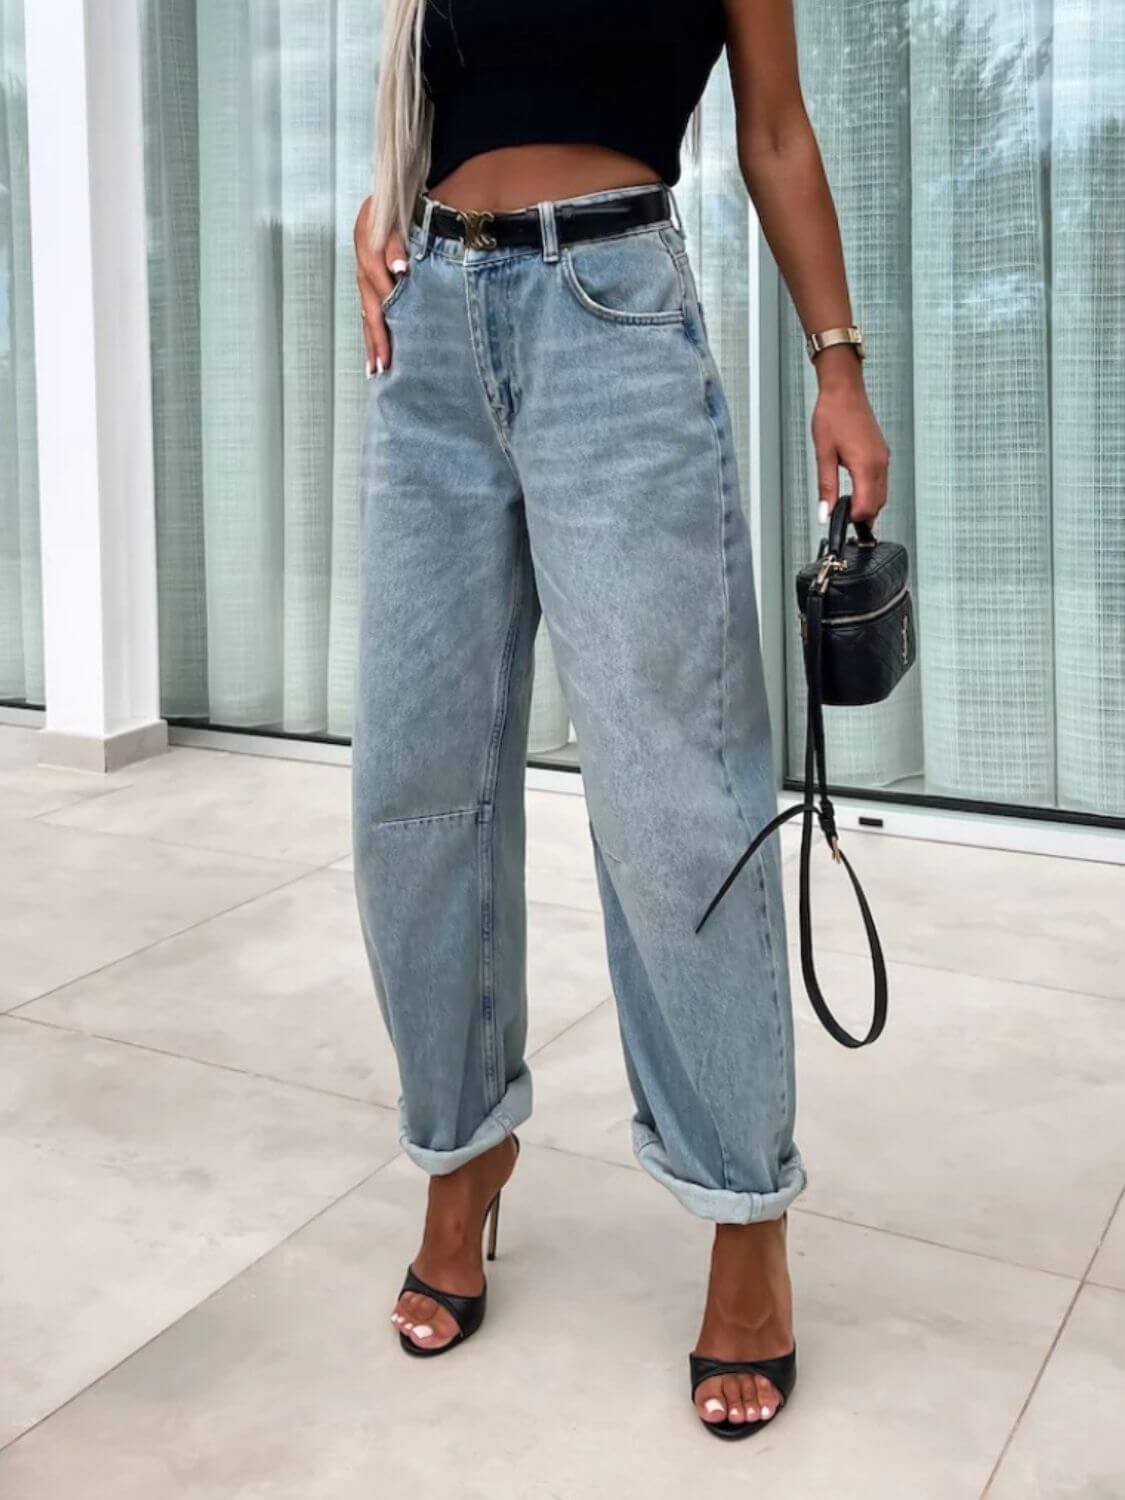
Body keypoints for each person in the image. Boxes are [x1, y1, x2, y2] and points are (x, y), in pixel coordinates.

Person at [351, 0, 889, 1441]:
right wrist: (381, 203)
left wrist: (836, 361)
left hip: (611, 316)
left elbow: (771, 127)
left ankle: (741, 1215)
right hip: (434, 337)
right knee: (414, 789)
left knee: (674, 805)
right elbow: (442, 97)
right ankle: (463, 1153)